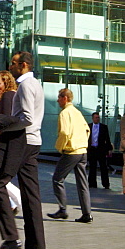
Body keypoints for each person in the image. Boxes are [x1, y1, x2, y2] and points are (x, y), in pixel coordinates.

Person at [0, 52, 47, 249]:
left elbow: (26, 118)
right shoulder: (35, 84)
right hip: (33, 141)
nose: (11, 66)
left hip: (22, 141)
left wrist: (3, 124)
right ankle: (36, 247)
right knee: (31, 195)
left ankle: (11, 237)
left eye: (14, 63)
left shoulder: (27, 85)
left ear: (24, 65)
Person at [47, 89, 92, 223]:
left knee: (57, 178)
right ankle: (87, 213)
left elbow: (65, 132)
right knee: (82, 182)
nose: (57, 100)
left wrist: (60, 147)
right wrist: (83, 143)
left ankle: (62, 209)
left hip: (72, 151)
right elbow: (87, 129)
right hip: (82, 150)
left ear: (65, 98)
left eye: (59, 98)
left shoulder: (65, 113)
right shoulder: (77, 112)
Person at [87, 111, 112, 190]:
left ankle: (106, 184)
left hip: (100, 149)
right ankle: (92, 183)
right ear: (93, 118)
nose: (97, 119)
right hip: (92, 149)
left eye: (98, 118)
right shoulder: (88, 126)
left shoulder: (104, 127)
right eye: (96, 118)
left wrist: (109, 149)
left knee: (103, 167)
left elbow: (107, 138)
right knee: (92, 167)